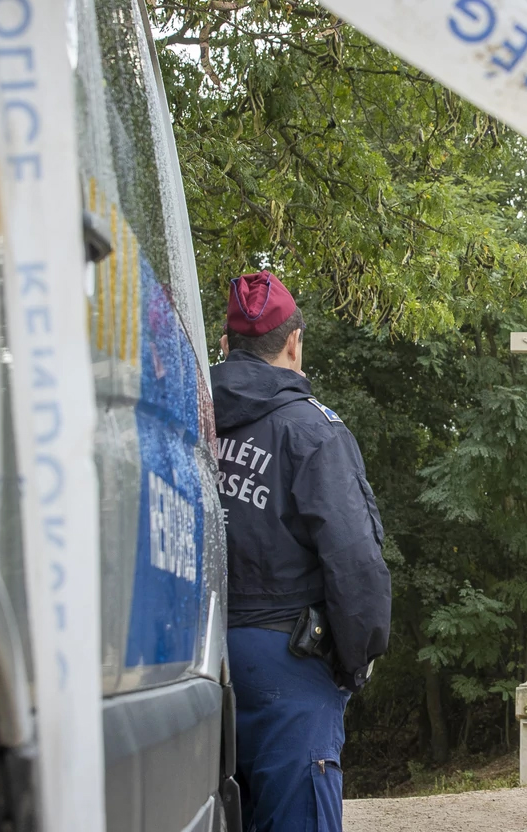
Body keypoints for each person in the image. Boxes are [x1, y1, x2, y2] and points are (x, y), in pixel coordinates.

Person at [212, 270, 392, 832]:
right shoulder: (314, 431)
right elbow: (355, 560)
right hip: (288, 666)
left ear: (225, 345)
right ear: (294, 342)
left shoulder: (184, 424)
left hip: (191, 660)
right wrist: (357, 659)